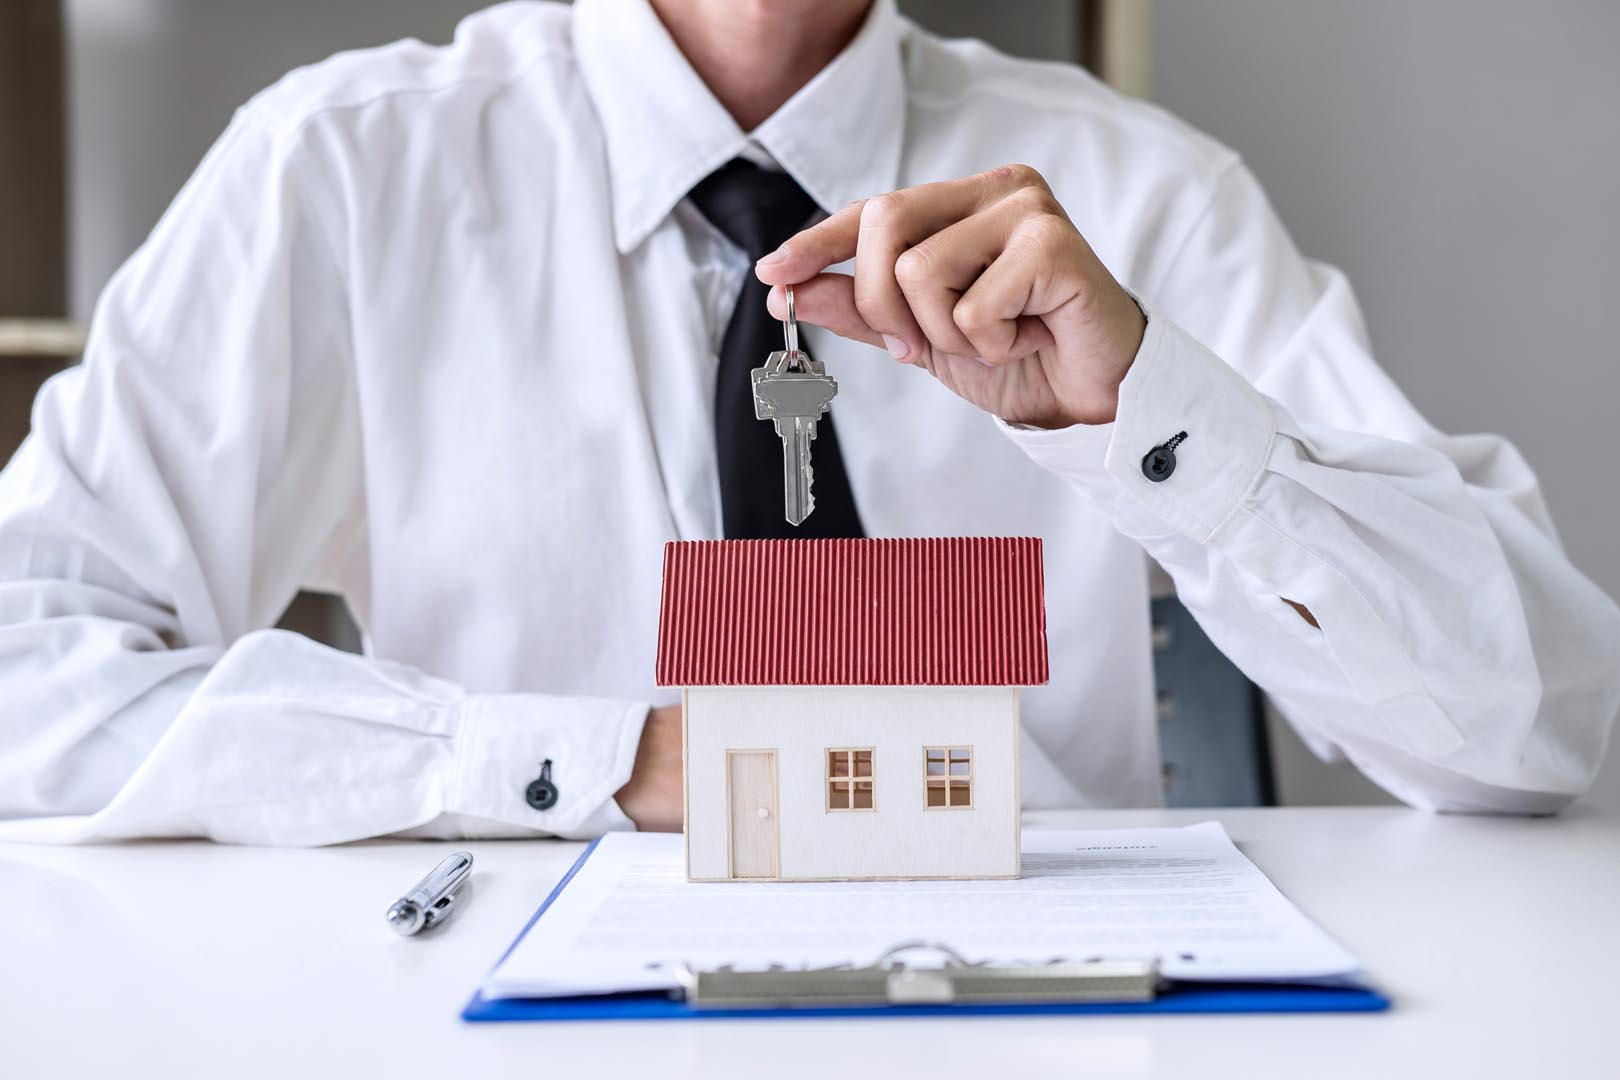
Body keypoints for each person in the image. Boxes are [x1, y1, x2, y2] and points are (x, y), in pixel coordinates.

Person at [1, 0, 1615, 846]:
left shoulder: (1144, 196)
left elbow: (1532, 737)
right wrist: (594, 760)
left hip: (1040, 1031)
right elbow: (25, 673)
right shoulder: (343, 175)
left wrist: (1151, 416)